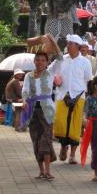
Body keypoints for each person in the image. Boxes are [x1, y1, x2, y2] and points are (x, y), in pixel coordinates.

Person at [21, 36, 61, 180]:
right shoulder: (28, 76)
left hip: (47, 111)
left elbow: (60, 56)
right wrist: (25, 101)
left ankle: (48, 170)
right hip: (33, 111)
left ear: (47, 62)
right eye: (37, 60)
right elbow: (25, 91)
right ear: (34, 61)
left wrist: (51, 39)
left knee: (46, 139)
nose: (40, 62)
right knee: (36, 140)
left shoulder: (50, 72)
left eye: (43, 60)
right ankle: (41, 170)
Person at [51, 34, 93, 164]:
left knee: (75, 126)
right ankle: (64, 146)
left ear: (78, 46)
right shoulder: (61, 59)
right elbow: (50, 71)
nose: (68, 46)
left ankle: (73, 155)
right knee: (61, 123)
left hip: (78, 95)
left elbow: (87, 78)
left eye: (70, 44)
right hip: (62, 94)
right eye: (68, 43)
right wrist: (55, 80)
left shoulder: (85, 62)